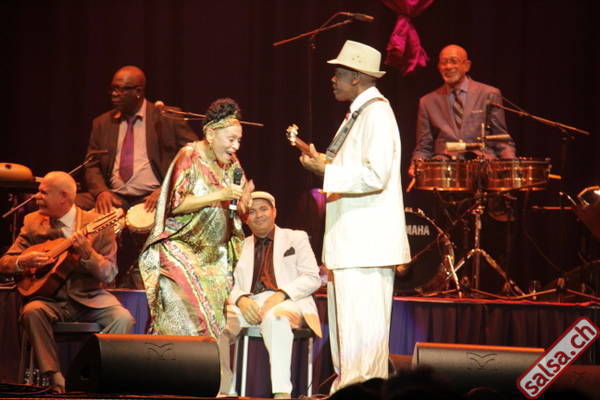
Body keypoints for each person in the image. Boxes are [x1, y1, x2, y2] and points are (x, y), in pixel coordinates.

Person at [299, 40, 411, 393]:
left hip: (366, 243)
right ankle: (350, 391)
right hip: (353, 243)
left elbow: (376, 175)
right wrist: (324, 163)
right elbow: (356, 168)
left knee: (362, 334)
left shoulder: (377, 114)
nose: (332, 79)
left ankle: (361, 392)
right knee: (350, 334)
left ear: (357, 78)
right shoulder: (360, 113)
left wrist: (327, 173)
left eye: (339, 73)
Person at [0, 171, 135, 393]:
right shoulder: (32, 222)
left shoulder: (98, 225)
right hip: (49, 300)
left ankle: (92, 373)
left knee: (124, 318)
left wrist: (88, 254)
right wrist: (23, 261)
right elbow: (5, 262)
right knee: (32, 312)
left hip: (90, 298)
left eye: (43, 192)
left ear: (63, 196)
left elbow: (109, 274)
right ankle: (55, 378)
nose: (36, 196)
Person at [138, 98, 253, 339]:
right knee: (182, 326)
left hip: (214, 259)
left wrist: (244, 202)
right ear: (211, 134)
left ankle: (202, 365)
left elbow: (236, 206)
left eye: (239, 140)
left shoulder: (232, 164)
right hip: (180, 252)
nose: (236, 146)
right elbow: (176, 204)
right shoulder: (189, 155)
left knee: (209, 331)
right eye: (231, 139)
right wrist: (220, 194)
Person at [76, 65, 198, 287]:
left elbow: (193, 155)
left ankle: (156, 282)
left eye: (121, 90)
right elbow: (91, 165)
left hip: (152, 196)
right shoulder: (102, 123)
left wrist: (166, 188)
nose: (115, 94)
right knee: (72, 205)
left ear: (139, 91)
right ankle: (80, 279)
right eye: (113, 89)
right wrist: (101, 191)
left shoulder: (166, 117)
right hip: (114, 195)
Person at [217, 191, 322, 399]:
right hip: (248, 303)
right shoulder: (238, 244)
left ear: (275, 212)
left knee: (276, 318)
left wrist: (281, 294)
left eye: (264, 209)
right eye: (252, 212)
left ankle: (282, 393)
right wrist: (241, 299)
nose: (258, 215)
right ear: (245, 219)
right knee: (214, 321)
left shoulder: (296, 237)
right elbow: (225, 283)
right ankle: (224, 390)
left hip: (288, 301)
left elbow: (312, 277)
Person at [410, 44, 516, 172]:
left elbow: (501, 139)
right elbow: (424, 146)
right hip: (445, 171)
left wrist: (512, 166)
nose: (448, 66)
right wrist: (416, 165)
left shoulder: (489, 94)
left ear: (467, 65)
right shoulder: (427, 102)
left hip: (483, 168)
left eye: (453, 61)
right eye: (444, 62)